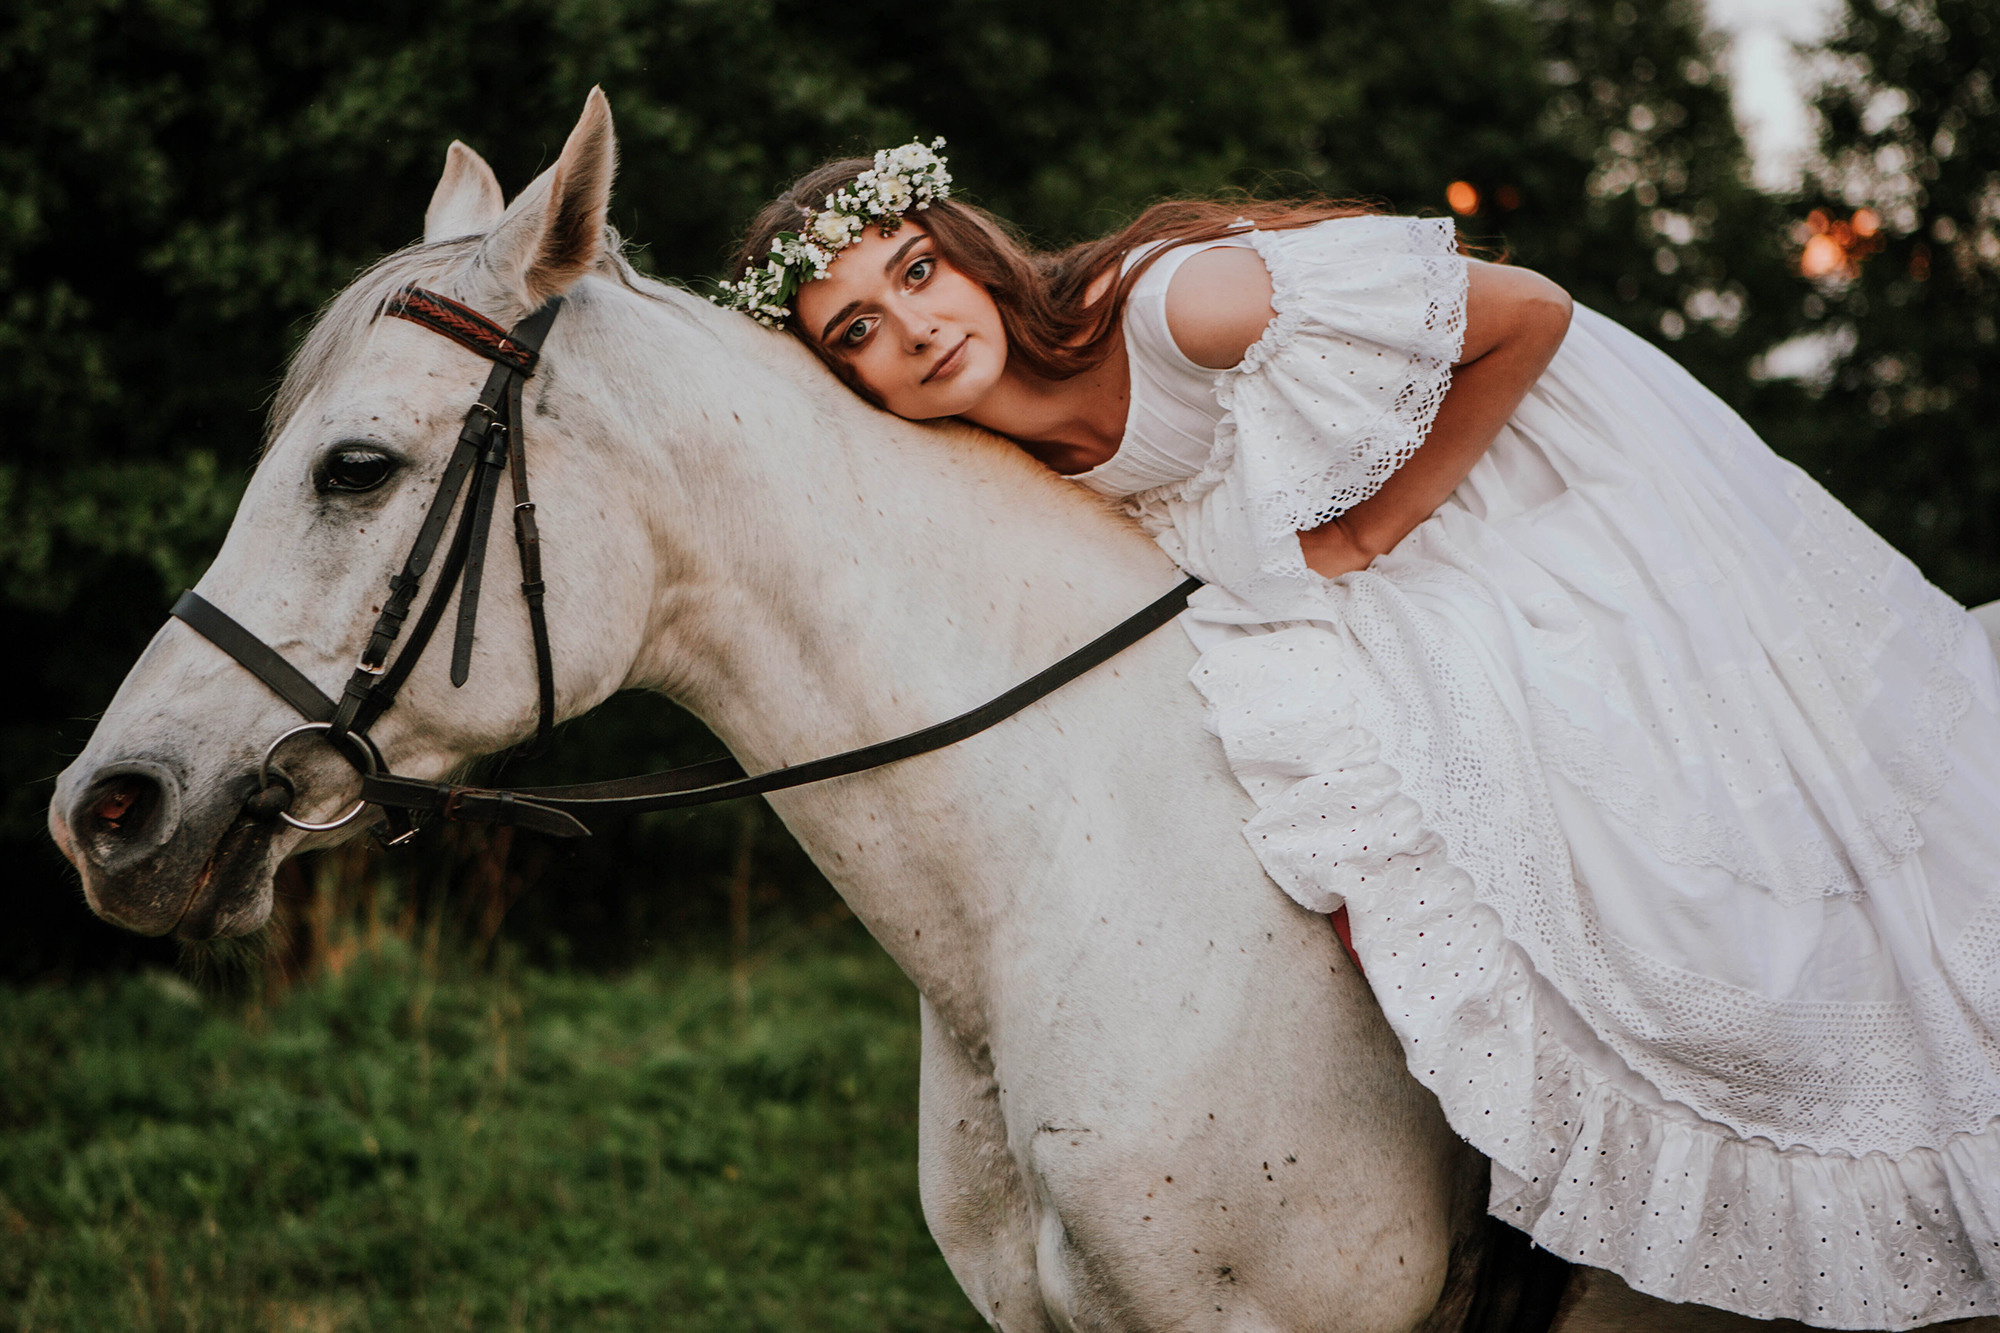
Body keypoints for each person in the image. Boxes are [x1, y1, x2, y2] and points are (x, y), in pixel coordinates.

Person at [719, 142, 2000, 1329]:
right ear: (845, 381)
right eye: (857, 331)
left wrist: (1367, 533)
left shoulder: (1178, 307)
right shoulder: (985, 461)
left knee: (1590, 797)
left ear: (968, 249)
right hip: (1319, 562)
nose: (914, 327)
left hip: (1510, 484)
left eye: (917, 271)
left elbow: (1530, 312)